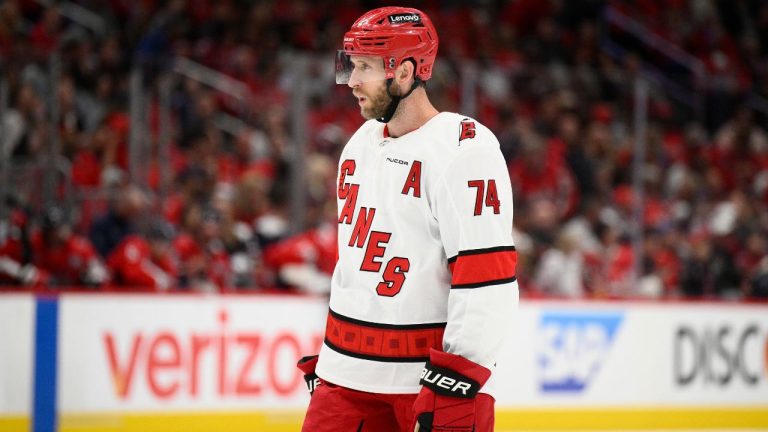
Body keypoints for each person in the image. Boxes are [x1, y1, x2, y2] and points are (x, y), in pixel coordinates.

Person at [298, 7, 518, 432]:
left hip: (431, 381)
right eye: (352, 65)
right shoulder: (359, 145)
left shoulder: (465, 150)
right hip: (348, 376)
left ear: (405, 72)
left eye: (365, 67)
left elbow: (486, 275)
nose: (352, 81)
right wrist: (333, 357)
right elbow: (356, 265)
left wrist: (458, 375)